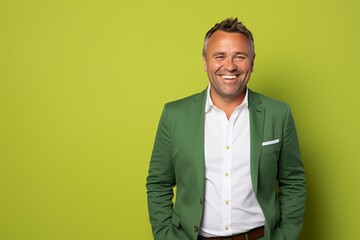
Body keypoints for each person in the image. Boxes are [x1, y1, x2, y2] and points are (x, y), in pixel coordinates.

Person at [146, 18, 306, 240]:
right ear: (205, 61)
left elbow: (293, 181)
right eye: (219, 56)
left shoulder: (278, 114)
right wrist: (166, 235)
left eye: (239, 56)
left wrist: (286, 235)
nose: (229, 66)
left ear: (252, 62)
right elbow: (158, 183)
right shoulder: (174, 115)